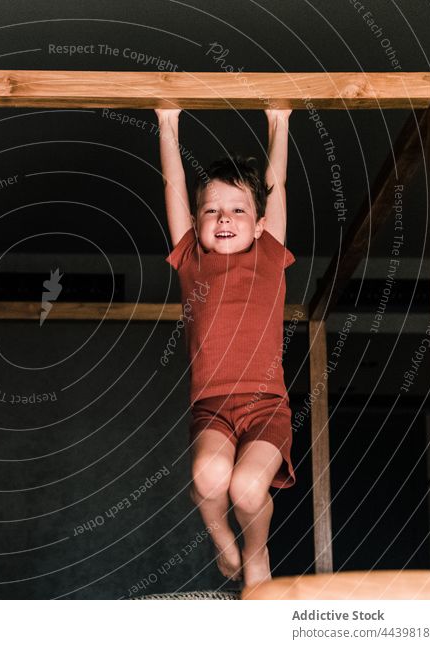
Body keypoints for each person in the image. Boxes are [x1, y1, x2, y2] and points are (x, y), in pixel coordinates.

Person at [154, 107, 295, 586]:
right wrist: (166, 120)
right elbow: (173, 188)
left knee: (248, 486)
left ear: (258, 224)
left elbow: (276, 187)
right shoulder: (192, 258)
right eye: (212, 211)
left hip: (266, 405)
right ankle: (223, 543)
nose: (225, 219)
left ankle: (257, 555)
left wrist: (280, 121)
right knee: (208, 478)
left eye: (238, 210)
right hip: (212, 405)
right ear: (197, 223)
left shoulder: (270, 253)